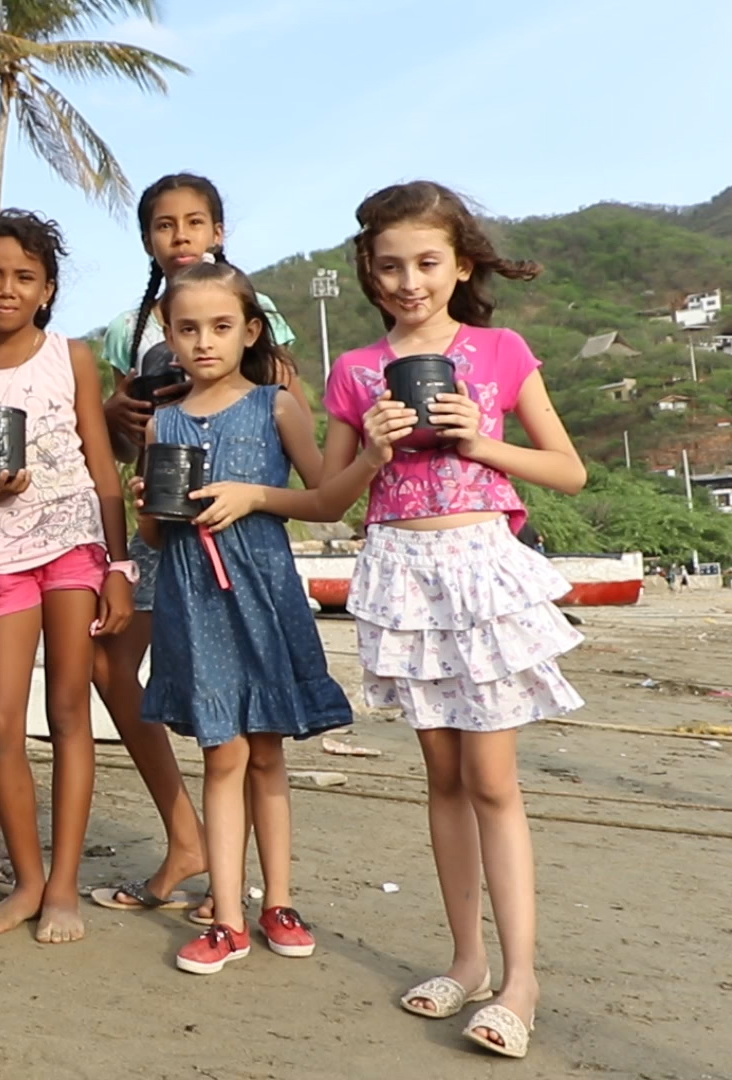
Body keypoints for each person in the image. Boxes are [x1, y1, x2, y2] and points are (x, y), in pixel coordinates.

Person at [319, 181, 585, 1059]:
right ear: (369, 268)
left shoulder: (500, 350)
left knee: (493, 781)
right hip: (400, 568)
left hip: (480, 567)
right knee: (440, 778)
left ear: (459, 264)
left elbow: (566, 470)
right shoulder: (356, 371)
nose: (408, 281)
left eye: (427, 263)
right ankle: (467, 960)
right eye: (390, 265)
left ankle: (520, 980)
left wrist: (478, 436)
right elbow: (328, 498)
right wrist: (375, 449)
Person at [131, 258, 353, 977]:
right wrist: (147, 511)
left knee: (266, 749)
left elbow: (325, 500)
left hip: (264, 592)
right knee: (221, 752)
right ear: (168, 332)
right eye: (188, 328)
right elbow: (155, 538)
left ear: (249, 330)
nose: (204, 342)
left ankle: (278, 902)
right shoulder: (161, 419)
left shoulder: (275, 404)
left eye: (221, 327)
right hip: (194, 601)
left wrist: (255, 496)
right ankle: (226, 916)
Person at [90, 173, 301, 922]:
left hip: (240, 529)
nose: (179, 236)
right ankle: (187, 836)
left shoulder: (256, 310)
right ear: (146, 238)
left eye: (195, 222)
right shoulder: (131, 326)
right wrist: (120, 411)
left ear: (218, 231)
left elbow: (281, 407)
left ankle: (243, 881)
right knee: (110, 662)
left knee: (248, 714)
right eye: (163, 225)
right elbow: (124, 440)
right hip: (166, 514)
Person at [0, 211, 133, 945]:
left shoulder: (69, 357)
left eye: (23, 277)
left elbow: (103, 468)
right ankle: (29, 879)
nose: (5, 289)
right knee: (3, 723)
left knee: (71, 715)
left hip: (74, 549)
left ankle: (66, 884)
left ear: (47, 288)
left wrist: (119, 565)